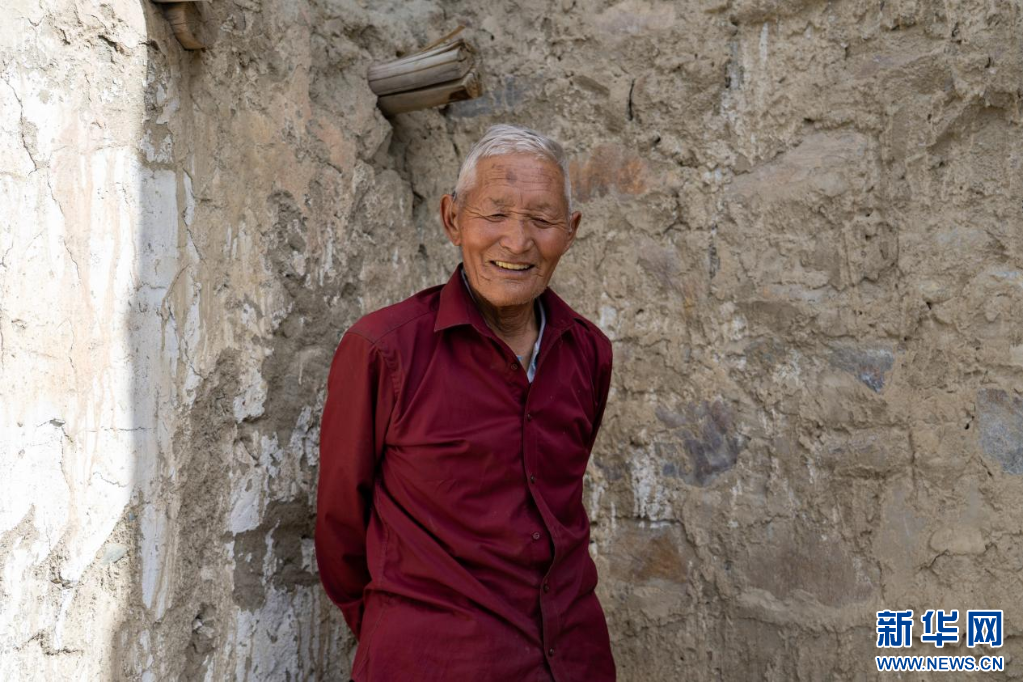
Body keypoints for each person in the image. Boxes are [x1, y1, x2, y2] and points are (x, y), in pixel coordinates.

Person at [315, 124, 616, 681]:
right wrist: (402, 630)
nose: (517, 241)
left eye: (542, 219)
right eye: (495, 214)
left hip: (574, 661)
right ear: (452, 219)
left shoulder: (588, 351)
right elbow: (339, 529)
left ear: (571, 231)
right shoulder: (384, 350)